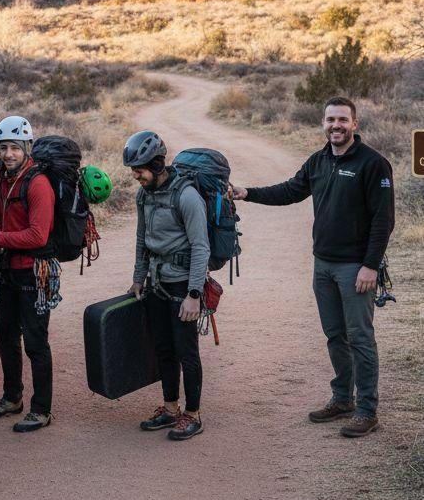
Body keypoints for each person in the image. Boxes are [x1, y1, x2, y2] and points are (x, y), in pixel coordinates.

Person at [231, 96, 394, 438]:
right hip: (323, 264)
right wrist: (247, 193)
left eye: (343, 120)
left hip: (355, 269)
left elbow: (384, 220)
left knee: (360, 338)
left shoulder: (373, 164)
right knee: (335, 335)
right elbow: (290, 190)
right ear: (324, 123)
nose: (336, 126)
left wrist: (370, 266)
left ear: (355, 124)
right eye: (330, 120)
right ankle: (342, 398)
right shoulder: (319, 161)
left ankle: (367, 410)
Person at [124, 130, 210, 441]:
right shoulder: (143, 195)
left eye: (140, 169)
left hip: (181, 286)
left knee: (187, 351)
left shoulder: (186, 196)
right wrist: (138, 278)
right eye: (133, 170)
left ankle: (193, 414)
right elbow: (141, 239)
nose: (136, 176)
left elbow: (201, 247)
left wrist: (194, 294)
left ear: (158, 163)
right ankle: (171, 407)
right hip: (155, 284)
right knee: (163, 348)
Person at [0, 116, 56, 433]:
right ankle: (13, 398)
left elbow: (38, 236)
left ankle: (42, 410)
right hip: (9, 270)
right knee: (8, 337)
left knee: (36, 343)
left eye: (14, 147)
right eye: (4, 147)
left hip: (34, 274)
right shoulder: (2, 178)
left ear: (26, 147)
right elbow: (1, 217)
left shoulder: (37, 184)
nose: (8, 153)